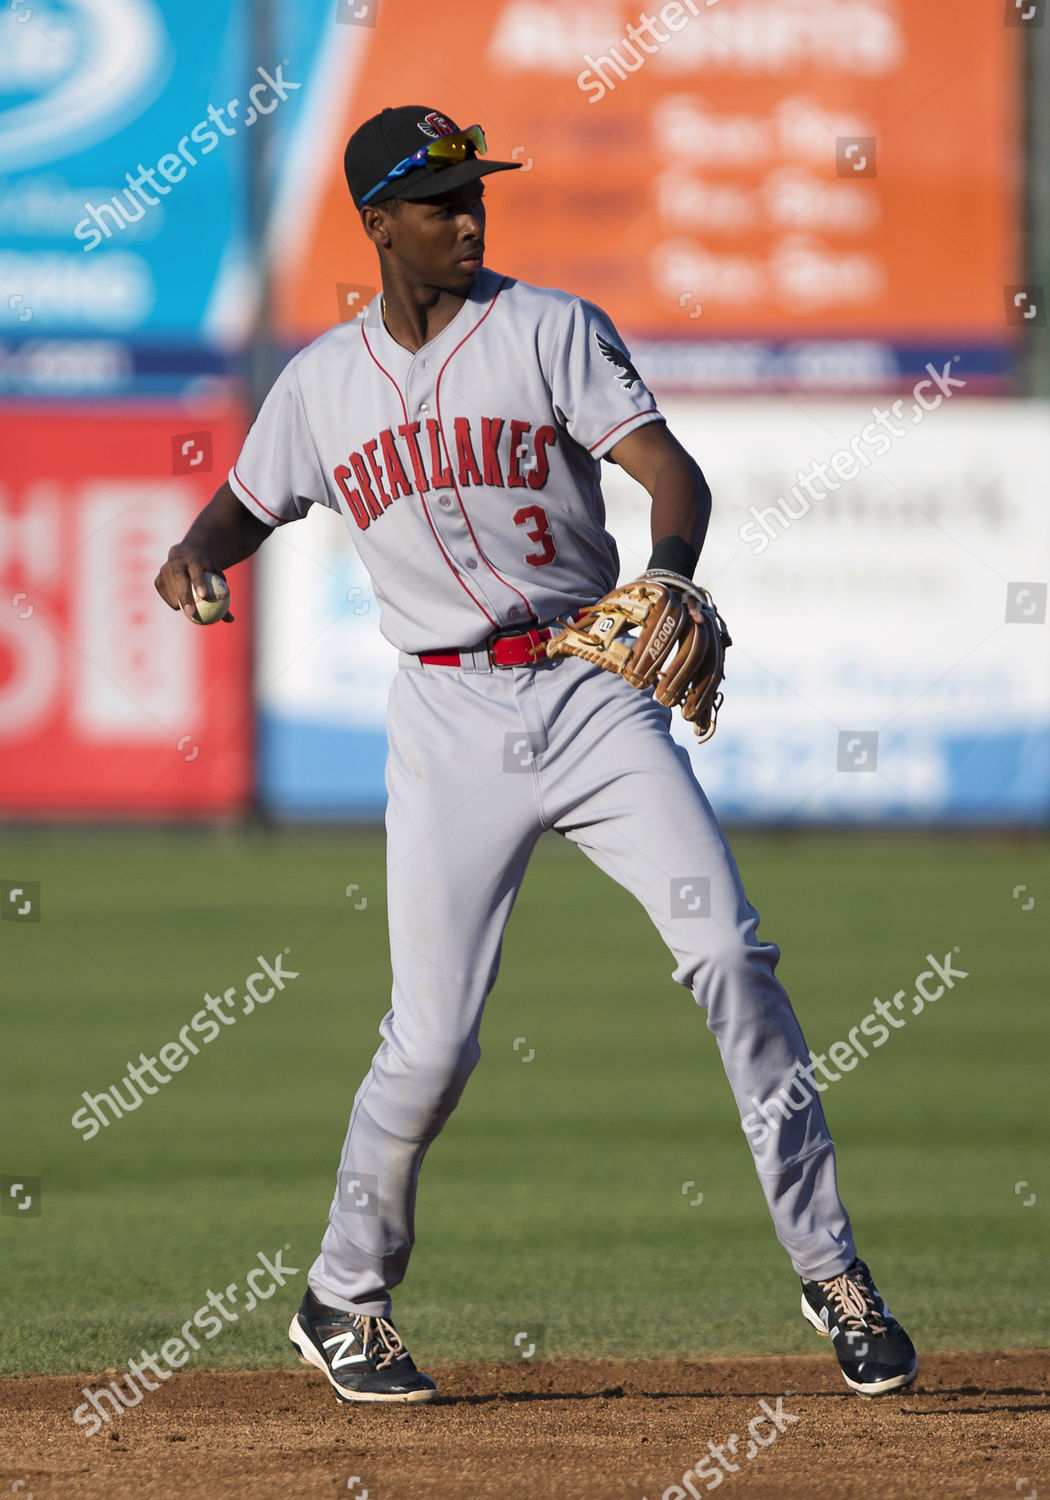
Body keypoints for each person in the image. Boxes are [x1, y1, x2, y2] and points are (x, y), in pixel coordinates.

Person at [154, 105, 917, 1405]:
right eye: (439, 200)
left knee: (727, 952)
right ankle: (342, 1295)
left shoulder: (549, 328)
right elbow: (246, 502)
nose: (468, 217)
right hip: (445, 720)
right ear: (377, 223)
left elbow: (672, 475)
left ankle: (832, 1271)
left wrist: (668, 575)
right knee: (433, 1040)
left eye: (475, 196)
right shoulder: (320, 385)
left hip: (590, 686)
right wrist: (192, 559)